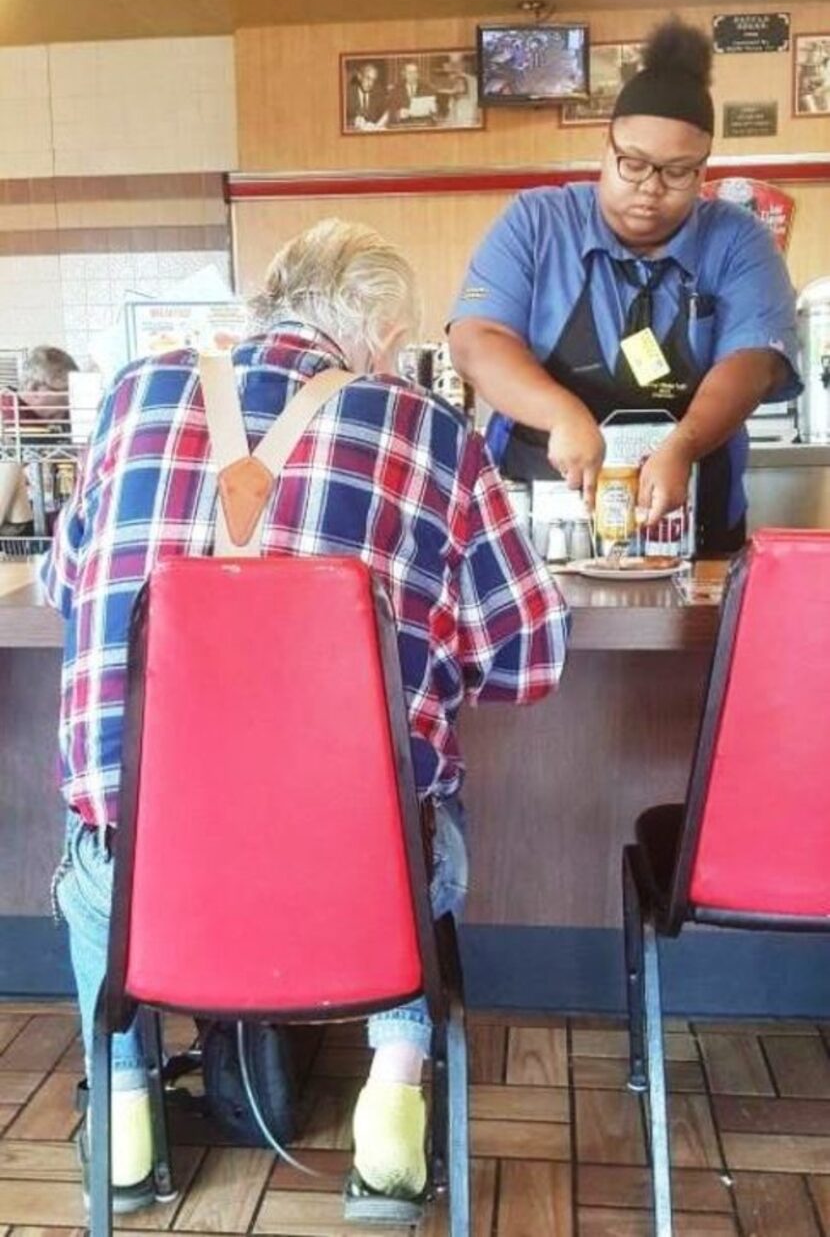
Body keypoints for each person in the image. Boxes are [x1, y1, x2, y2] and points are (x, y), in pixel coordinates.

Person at [41, 218, 569, 1221]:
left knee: (93, 842)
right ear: (372, 328)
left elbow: (73, 590)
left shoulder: (127, 399)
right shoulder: (426, 431)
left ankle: (121, 1117)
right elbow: (527, 657)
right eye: (398, 341)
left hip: (145, 882)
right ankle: (390, 1102)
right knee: (406, 812)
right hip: (362, 891)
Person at [449, 17, 800, 556]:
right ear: (604, 147)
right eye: (632, 164)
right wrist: (561, 413)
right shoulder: (537, 222)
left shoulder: (738, 240)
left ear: (704, 169)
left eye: (677, 172)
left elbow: (752, 363)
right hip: (544, 508)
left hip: (689, 503)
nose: (649, 189)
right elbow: (477, 339)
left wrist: (682, 444)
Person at [0, 345, 78, 537]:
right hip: (17, 523)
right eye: (65, 391)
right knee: (12, 462)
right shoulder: (11, 417)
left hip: (23, 526)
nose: (69, 401)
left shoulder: (46, 426)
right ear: (35, 388)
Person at [386, 60, 436, 125]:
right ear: (404, 74)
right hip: (403, 126)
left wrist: (434, 109)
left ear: (418, 74)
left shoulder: (427, 88)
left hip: (422, 124)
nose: (412, 75)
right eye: (409, 72)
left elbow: (434, 112)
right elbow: (390, 114)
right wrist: (398, 114)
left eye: (415, 72)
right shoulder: (396, 90)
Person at [346, 61, 389, 130]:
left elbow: (387, 112)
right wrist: (353, 121)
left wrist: (379, 124)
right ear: (359, 76)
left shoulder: (378, 93)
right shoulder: (347, 94)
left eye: (373, 80)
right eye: (368, 78)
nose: (370, 84)